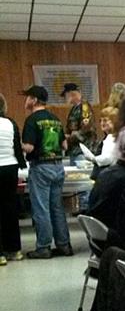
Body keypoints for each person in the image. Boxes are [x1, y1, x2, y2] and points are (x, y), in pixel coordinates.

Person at [19, 85, 73, 259]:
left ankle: (43, 247)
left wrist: (16, 143)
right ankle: (64, 245)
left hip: (41, 167)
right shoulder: (55, 119)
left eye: (27, 97)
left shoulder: (32, 120)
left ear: (34, 100)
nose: (25, 101)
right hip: (58, 167)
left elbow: (29, 147)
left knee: (41, 209)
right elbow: (65, 145)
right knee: (56, 207)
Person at [0, 93, 26, 263]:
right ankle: (14, 250)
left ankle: (0, 254)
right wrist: (22, 166)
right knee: (10, 208)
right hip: (10, 168)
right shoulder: (10, 123)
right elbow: (17, 148)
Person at [61, 83, 94, 164]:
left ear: (71, 94)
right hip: (75, 150)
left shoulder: (85, 107)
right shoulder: (75, 108)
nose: (65, 99)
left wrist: (69, 137)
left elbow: (86, 128)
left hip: (82, 150)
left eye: (65, 96)